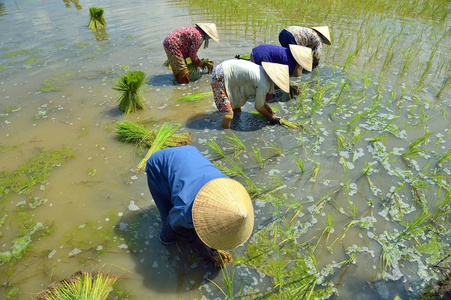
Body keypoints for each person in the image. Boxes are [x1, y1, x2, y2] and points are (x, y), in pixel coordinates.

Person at [146, 145, 254, 267]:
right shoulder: (186, 210)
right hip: (159, 165)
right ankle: (165, 242)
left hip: (190, 153)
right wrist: (201, 248)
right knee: (169, 230)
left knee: (180, 203)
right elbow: (172, 222)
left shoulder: (232, 192)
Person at [211, 59, 290, 129]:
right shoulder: (263, 84)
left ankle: (234, 126)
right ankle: (225, 138)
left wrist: (268, 108)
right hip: (219, 77)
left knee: (237, 109)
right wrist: (271, 118)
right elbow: (258, 106)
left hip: (224, 70)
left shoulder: (261, 71)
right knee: (228, 115)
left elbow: (257, 95)